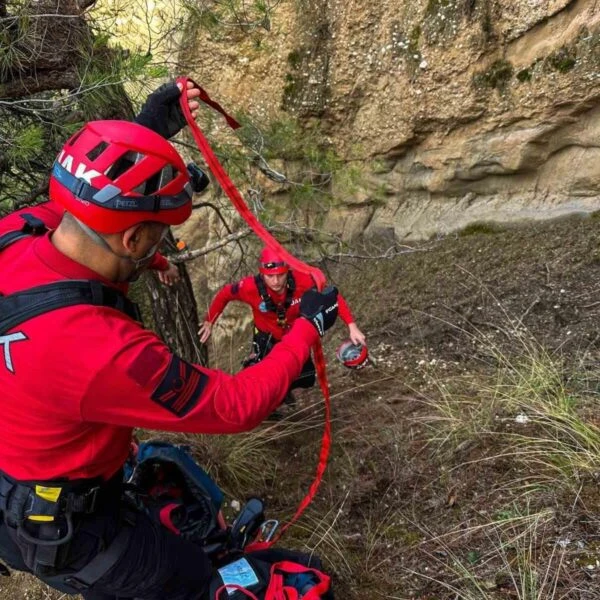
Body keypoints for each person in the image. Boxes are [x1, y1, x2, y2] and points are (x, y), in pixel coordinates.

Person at [0, 80, 339, 599]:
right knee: (195, 582)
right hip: (76, 533)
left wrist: (147, 130)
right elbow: (236, 405)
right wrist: (305, 328)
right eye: (156, 236)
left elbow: (85, 209)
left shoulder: (14, 235)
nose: (159, 247)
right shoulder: (102, 349)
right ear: (132, 238)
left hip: (17, 491)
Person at [198, 247, 366, 401]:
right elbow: (225, 294)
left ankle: (282, 392)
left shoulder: (304, 281)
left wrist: (352, 326)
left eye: (280, 275)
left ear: (288, 271)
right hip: (266, 336)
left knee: (306, 378)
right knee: (261, 379)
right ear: (262, 274)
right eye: (270, 276)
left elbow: (332, 297)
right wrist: (209, 320)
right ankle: (268, 403)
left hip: (294, 337)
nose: (276, 281)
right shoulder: (249, 287)